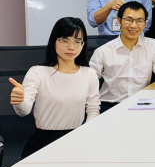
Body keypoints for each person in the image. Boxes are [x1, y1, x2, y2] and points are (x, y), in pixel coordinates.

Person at [9, 17, 100, 159]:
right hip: (43, 141)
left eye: (77, 42)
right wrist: (19, 101)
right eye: (65, 40)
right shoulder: (38, 72)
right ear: (54, 42)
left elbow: (93, 111)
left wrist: (86, 136)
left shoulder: (89, 74)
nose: (71, 47)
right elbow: (24, 111)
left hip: (76, 139)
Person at [90, 1, 155, 113]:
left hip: (141, 105)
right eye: (129, 20)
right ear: (119, 21)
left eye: (139, 21)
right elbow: (89, 81)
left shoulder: (153, 45)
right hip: (109, 106)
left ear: (145, 23)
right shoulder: (103, 51)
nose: (134, 25)